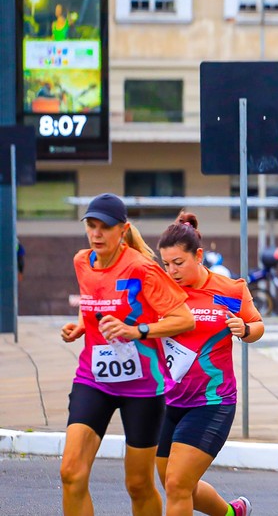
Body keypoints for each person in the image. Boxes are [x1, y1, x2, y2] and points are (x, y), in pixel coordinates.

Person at [59, 193, 195, 516]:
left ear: (123, 230)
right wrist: (81, 325)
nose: (96, 234)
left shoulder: (142, 268)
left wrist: (137, 331)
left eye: (104, 227)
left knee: (138, 483)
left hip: (143, 387)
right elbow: (96, 298)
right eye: (91, 226)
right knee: (70, 473)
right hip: (94, 379)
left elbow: (184, 319)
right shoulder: (82, 261)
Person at [155, 212, 265, 516]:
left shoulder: (228, 291)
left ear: (198, 255)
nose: (172, 271)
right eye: (166, 264)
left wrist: (244, 330)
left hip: (212, 402)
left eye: (179, 263)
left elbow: (257, 326)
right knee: (174, 483)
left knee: (177, 484)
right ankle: (231, 513)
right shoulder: (164, 290)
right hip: (170, 400)